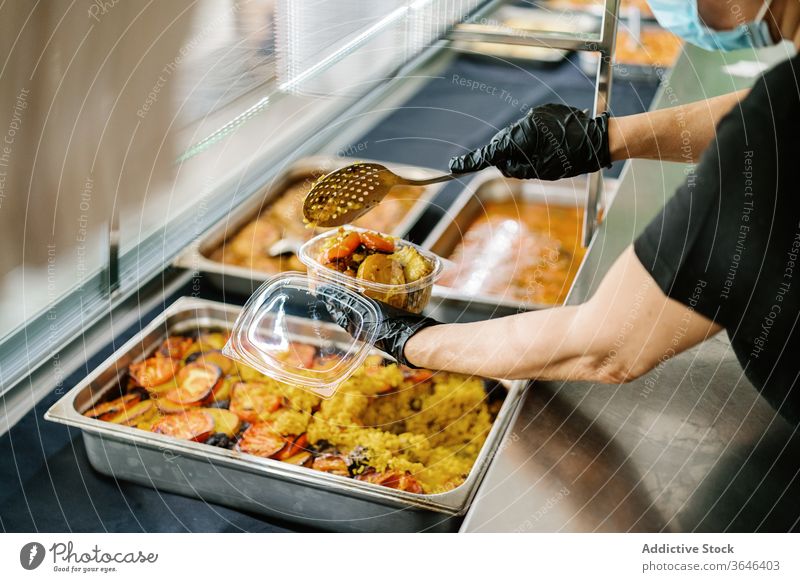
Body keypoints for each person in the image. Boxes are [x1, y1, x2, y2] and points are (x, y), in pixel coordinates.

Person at [323, 0, 800, 425]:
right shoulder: (779, 102)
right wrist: (603, 139)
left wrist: (410, 341)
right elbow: (759, 114)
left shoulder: (775, 118)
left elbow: (607, 348)